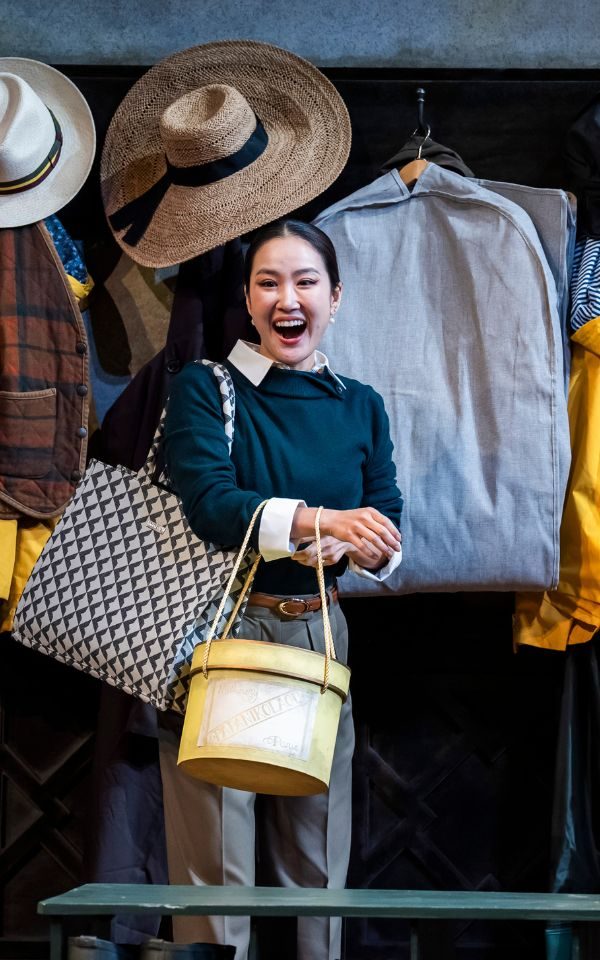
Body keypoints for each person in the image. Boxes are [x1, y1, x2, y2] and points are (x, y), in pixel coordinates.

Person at [159, 219, 403, 960]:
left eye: (305, 282)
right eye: (269, 282)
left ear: (336, 298)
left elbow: (386, 516)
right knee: (216, 868)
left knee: (317, 860)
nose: (286, 299)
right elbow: (211, 503)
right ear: (247, 297)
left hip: (320, 630)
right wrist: (319, 520)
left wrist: (358, 548)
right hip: (227, 631)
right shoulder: (207, 386)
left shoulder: (360, 403)